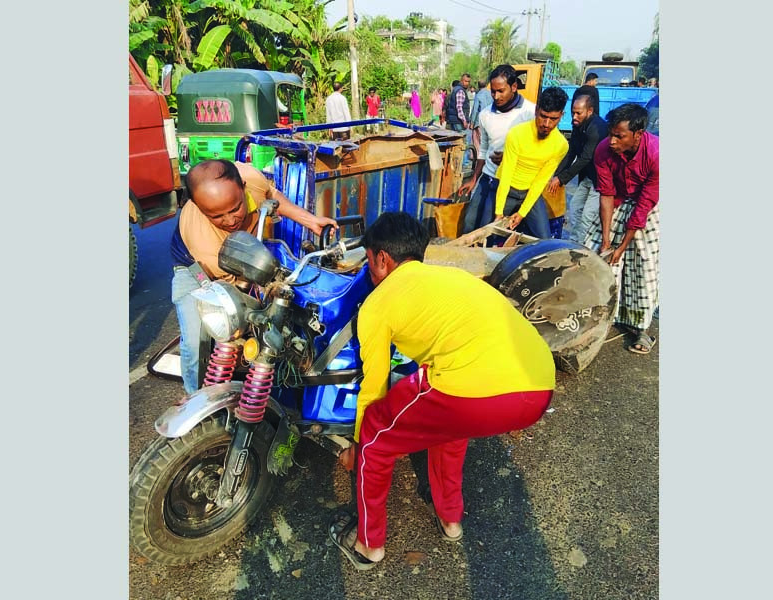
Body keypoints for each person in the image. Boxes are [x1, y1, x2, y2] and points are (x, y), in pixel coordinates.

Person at [327, 211, 555, 570]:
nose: (369, 269)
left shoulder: (379, 301)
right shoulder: (452, 278)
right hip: (539, 386)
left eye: (369, 261)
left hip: (472, 392)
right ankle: (450, 520)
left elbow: (375, 385)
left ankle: (368, 546)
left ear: (382, 259)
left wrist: (358, 445)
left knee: (375, 433)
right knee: (448, 425)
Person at [170, 159, 337, 395]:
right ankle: (195, 400)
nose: (230, 220)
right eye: (217, 216)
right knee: (199, 341)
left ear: (243, 187)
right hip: (198, 272)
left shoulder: (252, 179)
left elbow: (271, 195)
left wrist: (311, 221)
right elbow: (231, 293)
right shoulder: (203, 242)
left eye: (235, 208)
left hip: (243, 253)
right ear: (197, 207)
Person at [586, 103, 659, 354]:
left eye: (620, 136)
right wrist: (607, 242)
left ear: (638, 134)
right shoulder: (604, 150)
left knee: (643, 261)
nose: (613, 141)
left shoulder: (658, 155)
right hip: (618, 200)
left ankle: (642, 328)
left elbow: (644, 205)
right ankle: (602, 315)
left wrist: (623, 245)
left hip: (648, 204)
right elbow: (606, 194)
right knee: (592, 251)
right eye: (611, 134)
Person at [457, 65, 536, 233]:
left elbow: (538, 149)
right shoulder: (485, 114)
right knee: (469, 224)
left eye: (501, 91)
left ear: (514, 87)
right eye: (493, 91)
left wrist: (511, 158)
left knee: (495, 230)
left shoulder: (530, 113)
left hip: (516, 184)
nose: (496, 96)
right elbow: (484, 150)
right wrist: (474, 179)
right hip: (489, 176)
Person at [492, 86, 569, 239]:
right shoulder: (516, 134)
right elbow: (506, 173)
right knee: (491, 234)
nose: (546, 124)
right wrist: (499, 212)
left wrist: (521, 214)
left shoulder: (561, 145)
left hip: (530, 192)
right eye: (543, 116)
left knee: (544, 240)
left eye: (553, 119)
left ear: (561, 116)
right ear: (536, 111)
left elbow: (540, 181)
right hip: (506, 189)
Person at [545, 92, 609, 243]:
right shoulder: (578, 125)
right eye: (573, 112)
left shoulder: (597, 129)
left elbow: (584, 158)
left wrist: (562, 178)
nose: (574, 117)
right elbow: (571, 151)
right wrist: (557, 176)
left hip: (600, 179)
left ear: (590, 111)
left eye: (578, 113)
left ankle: (585, 249)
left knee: (588, 216)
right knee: (575, 209)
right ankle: (573, 244)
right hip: (587, 177)